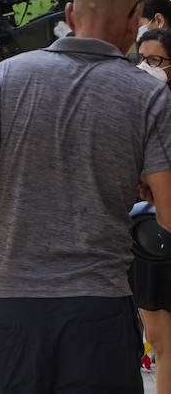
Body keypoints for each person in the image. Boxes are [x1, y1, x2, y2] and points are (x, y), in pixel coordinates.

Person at [0, 0, 171, 393]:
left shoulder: (7, 76)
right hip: (98, 311)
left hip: (10, 306)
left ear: (69, 17)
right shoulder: (148, 93)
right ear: (133, 22)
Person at [134, 27, 171, 393]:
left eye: (155, 60)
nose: (146, 67)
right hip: (150, 239)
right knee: (161, 344)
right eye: (141, 59)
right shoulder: (137, 108)